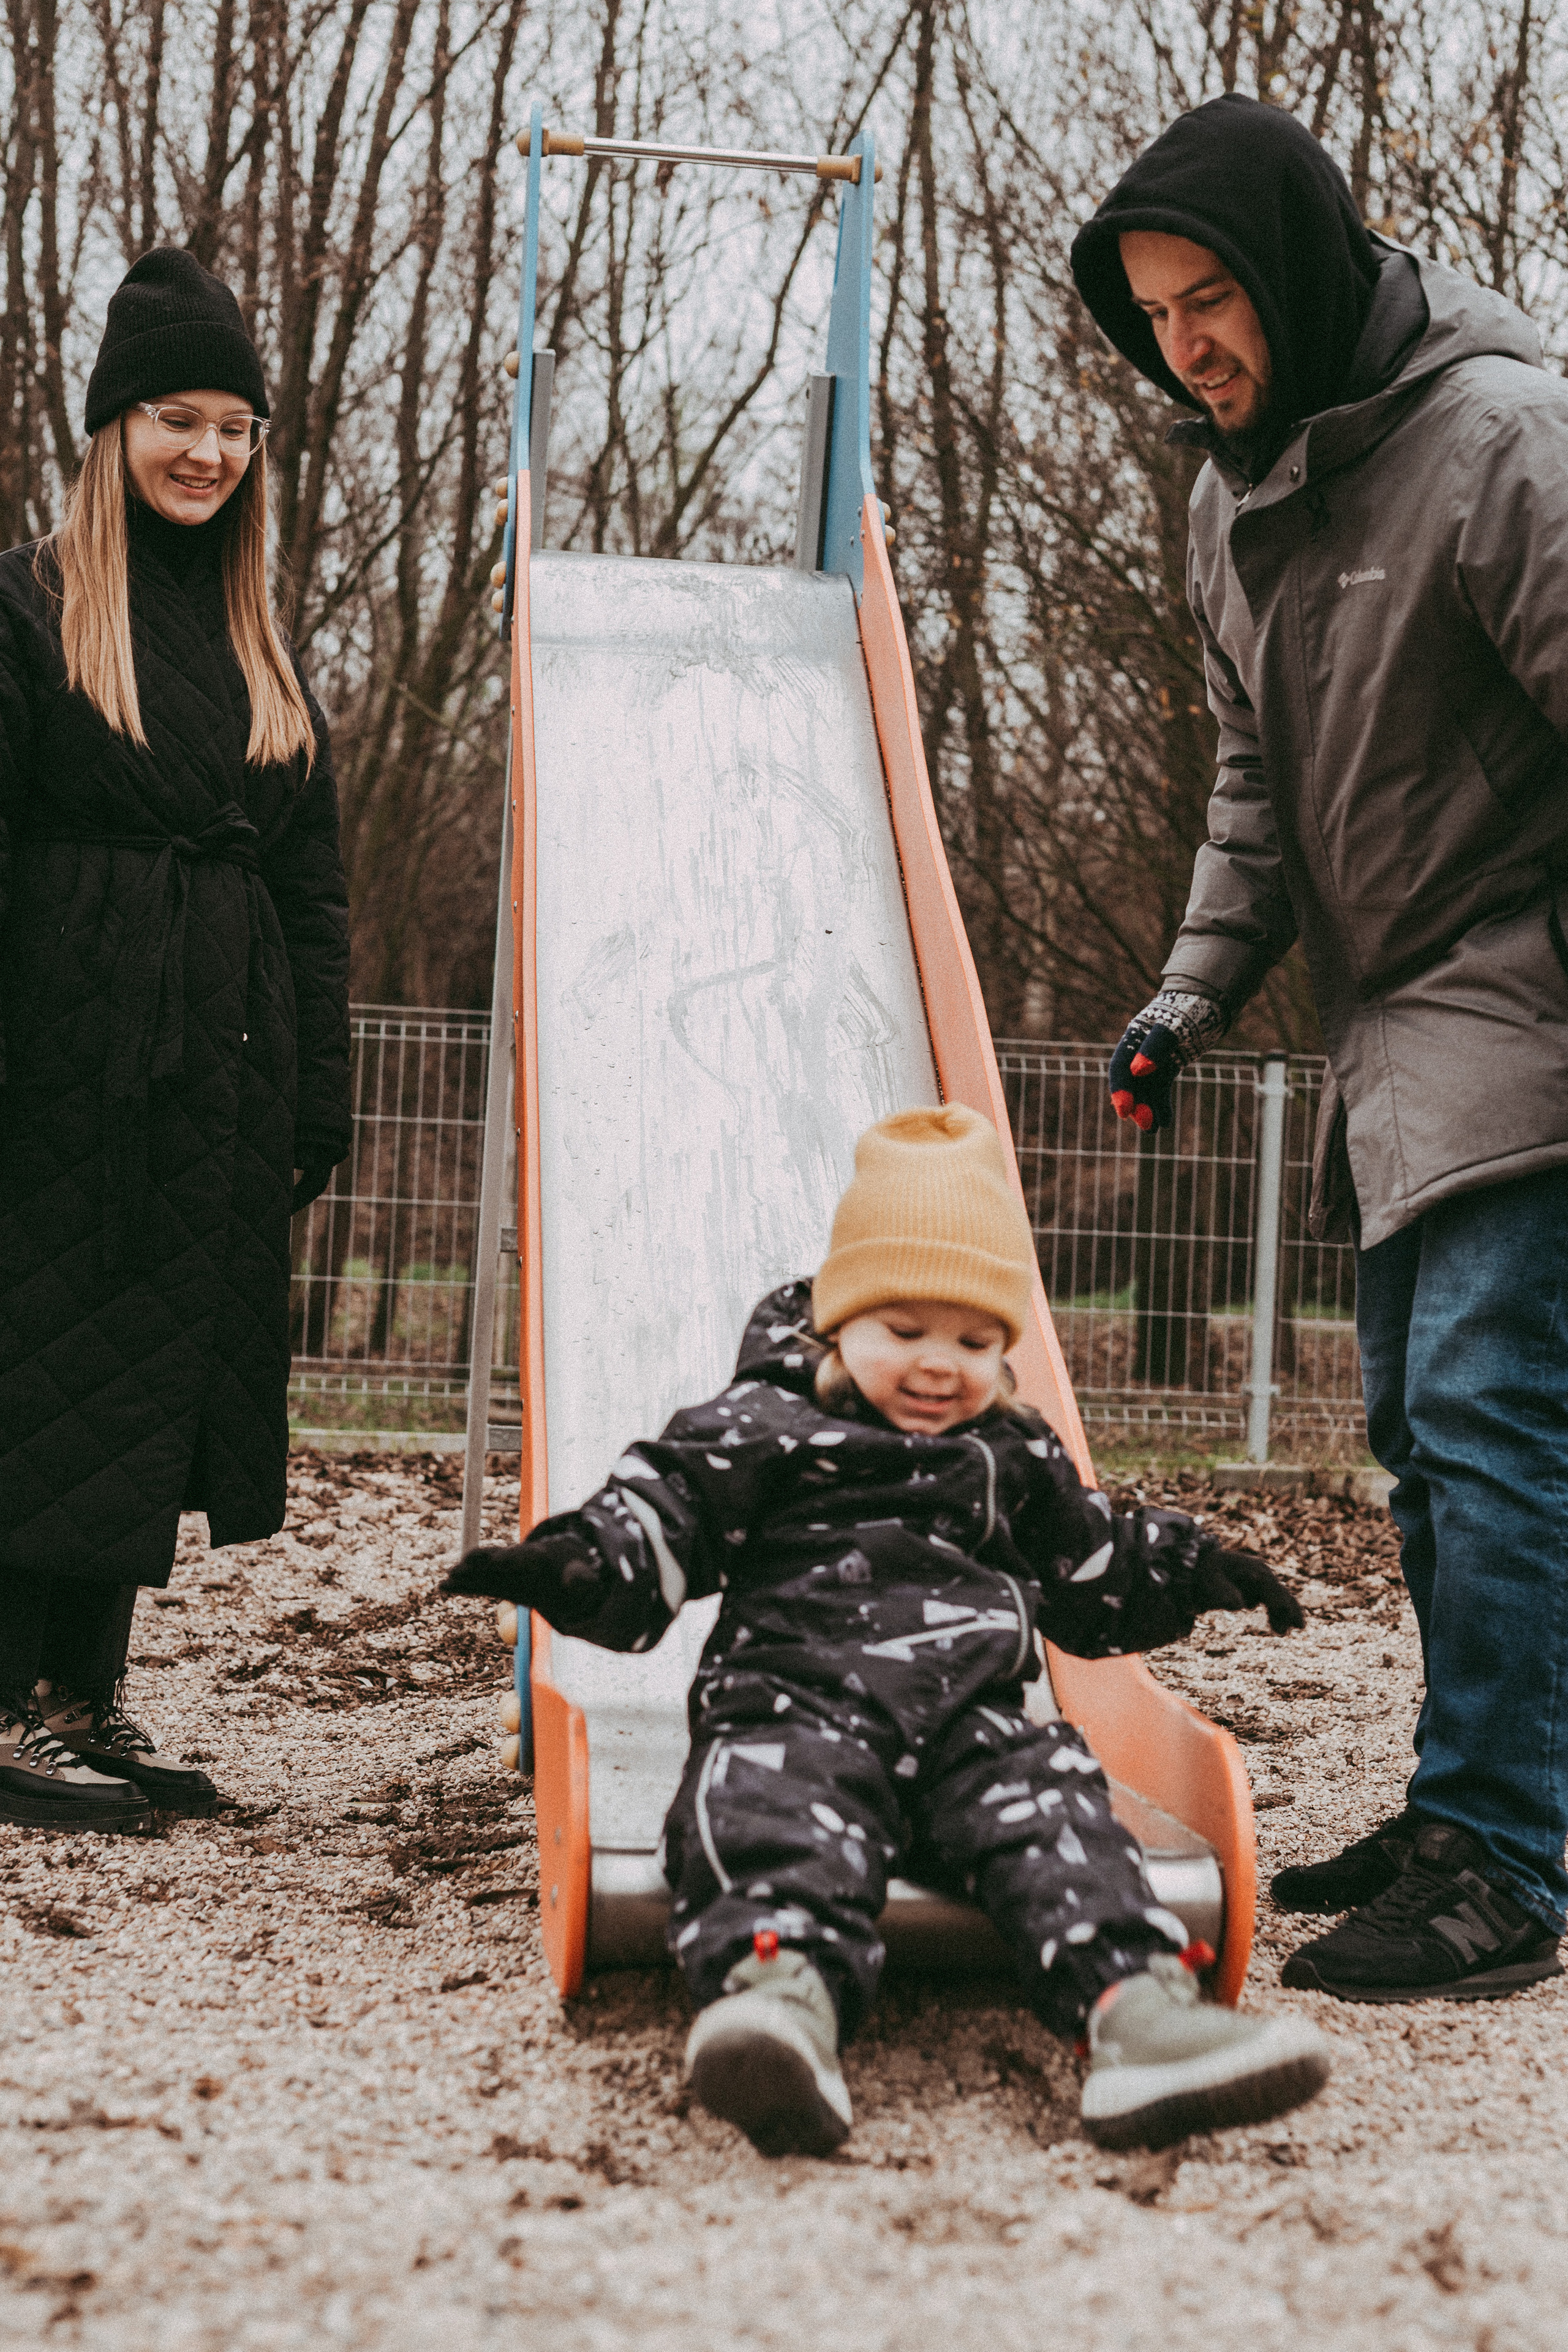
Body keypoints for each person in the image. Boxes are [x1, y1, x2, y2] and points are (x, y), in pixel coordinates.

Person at [1070, 94, 1568, 2005]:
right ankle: (1473, 1813)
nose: (1189, 348)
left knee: (1490, 1420)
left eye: (1215, 302)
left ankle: (1505, 1861)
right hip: (1395, 1032)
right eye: (1155, 318)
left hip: (1523, 996)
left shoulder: (1501, 443)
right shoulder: (1233, 497)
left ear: (1293, 271)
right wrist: (1190, 988)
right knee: (1426, 1455)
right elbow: (1250, 793)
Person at [444, 1106, 1331, 2155]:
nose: (937, 1365)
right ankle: (782, 2001)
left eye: (973, 1340)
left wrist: (1195, 1569)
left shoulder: (1013, 1452)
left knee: (1060, 1810)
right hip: (799, 1706)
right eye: (903, 1332)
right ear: (839, 1325)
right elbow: (662, 1512)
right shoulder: (762, 1430)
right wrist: (579, 1563)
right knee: (762, 1805)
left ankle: (1139, 2022)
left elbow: (1090, 1565)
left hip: (973, 1724)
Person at [0, 249, 351, 1829]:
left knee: (135, 1388)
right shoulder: (28, 606)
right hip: (59, 1057)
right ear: (112, 431)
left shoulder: (257, 651)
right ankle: (9, 1704)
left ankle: (85, 1694)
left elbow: (313, 893)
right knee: (36, 1366)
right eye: (173, 418)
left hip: (215, 1070)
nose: (206, 451)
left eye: (233, 425)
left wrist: (317, 1101)